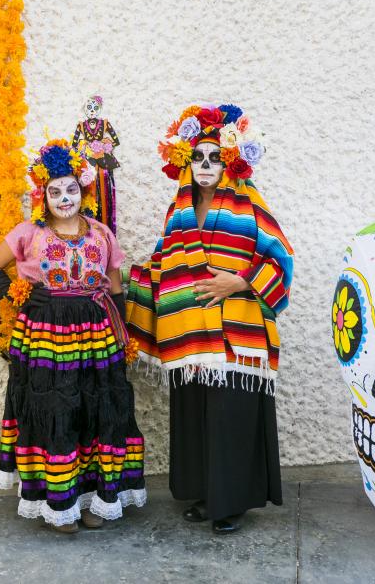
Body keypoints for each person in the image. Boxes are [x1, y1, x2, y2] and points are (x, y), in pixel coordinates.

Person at [126, 104, 293, 535]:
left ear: (228, 162)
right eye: (197, 157)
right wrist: (123, 281)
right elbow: (163, 266)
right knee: (199, 417)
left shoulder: (249, 203)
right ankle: (207, 495)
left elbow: (282, 259)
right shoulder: (176, 211)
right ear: (185, 160)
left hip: (239, 335)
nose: (205, 165)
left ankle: (232, 503)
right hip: (189, 337)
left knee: (231, 418)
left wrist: (238, 283)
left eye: (214, 157)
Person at [0, 139, 145, 534]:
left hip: (96, 336)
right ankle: (60, 504)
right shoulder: (27, 233)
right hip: (45, 338)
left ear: (84, 190)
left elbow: (115, 287)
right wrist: (18, 292)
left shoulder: (102, 234)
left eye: (71, 189)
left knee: (96, 411)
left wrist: (121, 335)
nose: (64, 197)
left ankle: (98, 502)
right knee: (56, 410)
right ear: (42, 195)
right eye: (55, 190)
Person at [71, 94, 120, 233]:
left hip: (103, 163)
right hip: (89, 162)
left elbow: (116, 140)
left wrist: (105, 144)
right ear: (85, 109)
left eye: (95, 107)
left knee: (105, 192)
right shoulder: (81, 126)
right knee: (90, 191)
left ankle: (106, 227)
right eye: (89, 107)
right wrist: (84, 146)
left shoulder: (105, 123)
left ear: (99, 109)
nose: (92, 110)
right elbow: (74, 145)